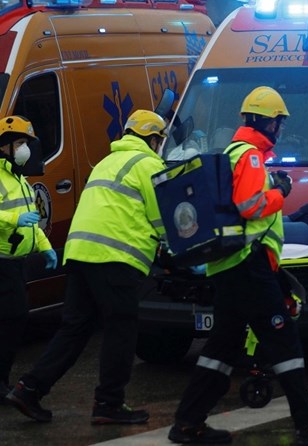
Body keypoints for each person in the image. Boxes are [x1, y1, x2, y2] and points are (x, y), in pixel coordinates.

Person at [168, 86, 308, 445]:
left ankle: (188, 422)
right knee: (284, 344)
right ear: (270, 123)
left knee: (221, 349)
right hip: (249, 268)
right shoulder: (251, 157)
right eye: (279, 123)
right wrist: (279, 192)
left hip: (230, 267)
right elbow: (250, 205)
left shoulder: (234, 152)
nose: (280, 129)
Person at [6, 110, 168, 424]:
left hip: (80, 253)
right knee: (121, 326)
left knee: (76, 328)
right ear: (152, 138)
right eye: (158, 140)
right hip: (115, 257)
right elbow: (163, 214)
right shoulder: (149, 164)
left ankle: (30, 388)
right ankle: (109, 403)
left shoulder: (105, 162)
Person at [0, 116, 57, 398]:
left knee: (13, 320)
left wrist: (45, 246)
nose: (25, 150)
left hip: (16, 263)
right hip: (2, 262)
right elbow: (18, 218)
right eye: (20, 143)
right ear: (5, 146)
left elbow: (32, 222)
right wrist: (14, 218)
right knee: (13, 318)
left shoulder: (19, 179)